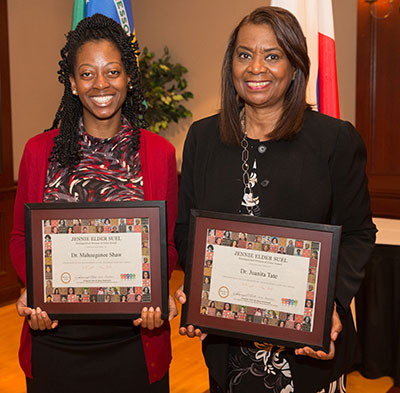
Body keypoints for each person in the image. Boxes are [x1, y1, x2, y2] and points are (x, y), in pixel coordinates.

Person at [174, 6, 376, 393]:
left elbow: (358, 234)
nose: (256, 68)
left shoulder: (334, 140)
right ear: (230, 63)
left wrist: (330, 304)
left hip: (307, 358)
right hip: (227, 353)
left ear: (295, 64)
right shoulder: (203, 138)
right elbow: (187, 228)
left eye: (272, 55)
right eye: (245, 54)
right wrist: (199, 278)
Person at [10, 14, 178, 393]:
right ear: (71, 83)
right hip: (54, 339)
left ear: (129, 78)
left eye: (113, 71)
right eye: (87, 74)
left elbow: (165, 245)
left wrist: (156, 287)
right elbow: (21, 237)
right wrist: (35, 290)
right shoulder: (39, 151)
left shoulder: (159, 153)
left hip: (134, 344)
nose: (100, 84)